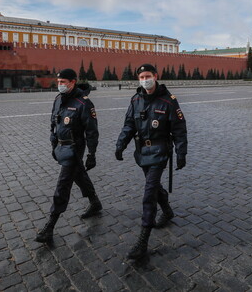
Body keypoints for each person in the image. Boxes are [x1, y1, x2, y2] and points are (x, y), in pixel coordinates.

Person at [115, 63, 187, 259]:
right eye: (141, 77)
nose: (144, 80)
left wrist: (181, 153)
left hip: (160, 151)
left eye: (147, 75)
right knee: (153, 186)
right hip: (142, 152)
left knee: (149, 193)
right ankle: (167, 211)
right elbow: (129, 124)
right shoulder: (136, 99)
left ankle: (143, 240)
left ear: (156, 76)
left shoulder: (169, 101)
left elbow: (179, 129)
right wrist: (120, 145)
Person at [35, 68, 102, 243]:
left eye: (63, 82)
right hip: (61, 147)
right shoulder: (58, 100)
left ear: (72, 82)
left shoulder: (84, 103)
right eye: (58, 82)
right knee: (78, 175)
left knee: (63, 185)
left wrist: (92, 153)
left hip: (74, 148)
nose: (60, 85)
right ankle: (95, 202)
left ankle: (50, 225)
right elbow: (53, 123)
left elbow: (92, 131)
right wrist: (53, 143)